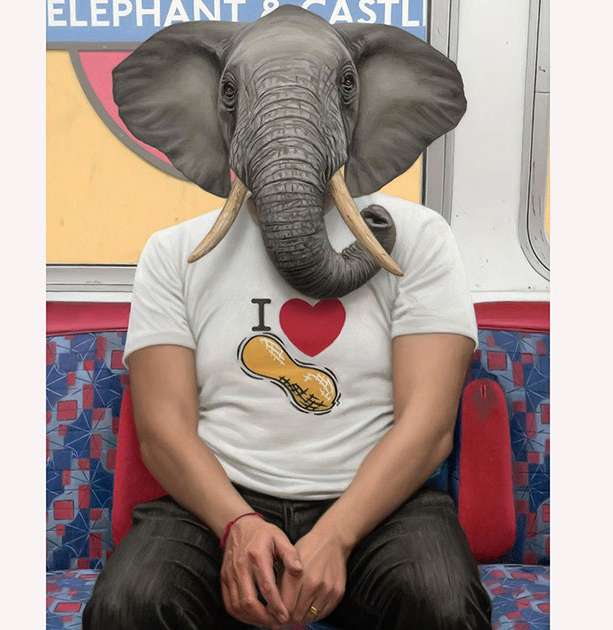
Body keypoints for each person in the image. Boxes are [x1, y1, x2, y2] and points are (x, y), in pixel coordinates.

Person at [82, 191, 493, 630]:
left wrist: (337, 534)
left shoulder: (418, 237)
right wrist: (237, 524)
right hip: (218, 501)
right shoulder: (173, 252)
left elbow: (428, 427)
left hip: (378, 504)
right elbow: (162, 432)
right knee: (127, 606)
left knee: (443, 602)